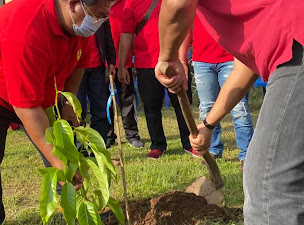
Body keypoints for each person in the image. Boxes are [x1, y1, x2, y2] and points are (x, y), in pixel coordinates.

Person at [0, 0, 114, 224]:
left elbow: (79, 63)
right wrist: (59, 163)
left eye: (104, 16)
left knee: (62, 145)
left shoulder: (80, 26)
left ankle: (71, 207)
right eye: (97, 15)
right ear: (74, 4)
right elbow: (26, 107)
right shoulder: (26, 29)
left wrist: (67, 102)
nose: (98, 22)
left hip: (38, 85)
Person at [155, 0, 304, 224]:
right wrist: (208, 125)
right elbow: (244, 68)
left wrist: (167, 58)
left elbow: (177, 4)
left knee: (268, 183)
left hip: (297, 46)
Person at [119, 0, 196, 159]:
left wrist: (182, 60)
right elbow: (126, 36)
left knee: (182, 104)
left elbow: (183, 27)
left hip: (173, 63)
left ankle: (189, 143)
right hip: (145, 63)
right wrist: (122, 66)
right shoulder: (131, 3)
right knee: (151, 107)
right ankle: (157, 144)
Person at [188, 17, 254, 169]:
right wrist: (179, 56)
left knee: (239, 110)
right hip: (202, 60)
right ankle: (213, 150)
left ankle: (247, 155)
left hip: (231, 58)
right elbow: (184, 25)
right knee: (207, 108)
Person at [106, 0, 144, 149]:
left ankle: (132, 134)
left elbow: (133, 34)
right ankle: (108, 135)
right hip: (104, 64)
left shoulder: (128, 4)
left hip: (124, 63)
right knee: (104, 102)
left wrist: (132, 62)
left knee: (127, 100)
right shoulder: (98, 4)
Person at [77, 20, 116, 143]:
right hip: (76, 69)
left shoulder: (98, 7)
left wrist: (111, 61)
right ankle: (79, 148)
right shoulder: (71, 8)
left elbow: (107, 36)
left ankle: (100, 146)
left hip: (97, 67)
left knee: (100, 110)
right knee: (78, 110)